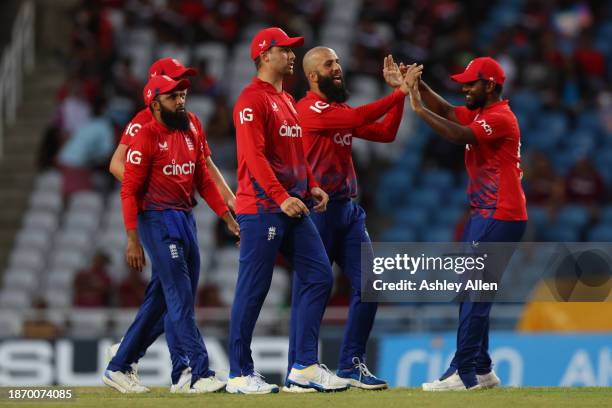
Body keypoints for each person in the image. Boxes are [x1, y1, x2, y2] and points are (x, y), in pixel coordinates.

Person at [227, 27, 347, 394]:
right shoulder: (251, 100)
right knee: (254, 288)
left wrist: (311, 184)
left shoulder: (287, 99)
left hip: (293, 206)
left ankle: (304, 367)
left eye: (294, 51)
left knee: (320, 276)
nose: (293, 55)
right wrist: (280, 197)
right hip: (264, 207)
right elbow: (253, 157)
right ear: (265, 55)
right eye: (286, 50)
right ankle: (238, 373)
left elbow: (296, 153)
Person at [106, 57, 237, 392]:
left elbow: (203, 175)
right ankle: (194, 371)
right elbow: (122, 175)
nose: (182, 96)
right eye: (174, 89)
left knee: (166, 298)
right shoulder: (144, 127)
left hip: (184, 215)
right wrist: (143, 211)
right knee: (178, 297)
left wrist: (227, 212)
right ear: (156, 94)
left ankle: (124, 360)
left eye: (183, 90)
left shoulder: (191, 124)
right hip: (158, 215)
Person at [287, 47, 412, 390]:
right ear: (312, 76)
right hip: (317, 211)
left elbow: (385, 133)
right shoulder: (307, 109)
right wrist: (399, 92)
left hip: (347, 211)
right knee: (310, 290)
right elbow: (359, 121)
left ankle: (350, 365)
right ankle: (299, 368)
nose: (338, 67)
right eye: (330, 64)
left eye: (339, 61)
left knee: (371, 284)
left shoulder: (337, 110)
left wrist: (396, 96)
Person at [405, 57, 527, 390]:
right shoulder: (482, 113)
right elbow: (447, 111)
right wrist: (416, 84)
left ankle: (463, 371)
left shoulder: (499, 117)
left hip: (498, 212)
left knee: (475, 292)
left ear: (489, 85)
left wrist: (417, 108)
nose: (464, 88)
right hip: (487, 212)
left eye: (470, 83)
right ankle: (483, 368)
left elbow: (459, 135)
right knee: (472, 290)